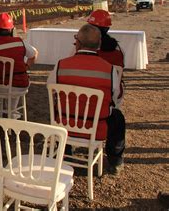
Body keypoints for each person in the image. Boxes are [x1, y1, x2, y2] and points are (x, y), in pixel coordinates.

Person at [47, 24, 126, 175]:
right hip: (96, 129)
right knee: (118, 117)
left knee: (57, 108)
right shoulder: (109, 70)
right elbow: (115, 98)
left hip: (64, 125)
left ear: (78, 43)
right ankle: (115, 161)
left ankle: (64, 149)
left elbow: (51, 89)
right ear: (99, 44)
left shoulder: (60, 65)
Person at [0, 13, 38, 118]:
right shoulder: (19, 42)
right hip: (20, 85)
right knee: (15, 82)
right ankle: (11, 111)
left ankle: (3, 109)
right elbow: (34, 54)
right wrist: (27, 67)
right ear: (11, 29)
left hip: (0, 87)